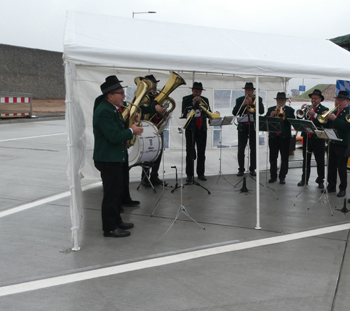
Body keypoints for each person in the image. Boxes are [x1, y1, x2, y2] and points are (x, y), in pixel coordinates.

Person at [93, 75, 143, 238]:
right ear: (110, 95)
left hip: (115, 157)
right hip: (108, 159)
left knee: (117, 192)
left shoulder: (111, 109)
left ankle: (117, 221)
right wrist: (131, 131)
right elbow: (114, 136)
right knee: (111, 194)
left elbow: (118, 129)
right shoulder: (104, 112)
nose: (124, 96)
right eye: (120, 93)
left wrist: (132, 124)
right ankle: (109, 228)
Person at [297, 89, 328, 189]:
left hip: (318, 138)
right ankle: (304, 179)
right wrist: (302, 111)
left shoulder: (324, 109)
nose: (313, 100)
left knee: (320, 160)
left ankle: (320, 181)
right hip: (307, 137)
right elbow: (300, 119)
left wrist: (314, 114)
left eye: (315, 98)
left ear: (320, 99)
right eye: (312, 98)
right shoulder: (307, 107)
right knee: (306, 160)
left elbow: (323, 123)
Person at [138, 74, 166, 187]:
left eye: (155, 83)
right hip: (147, 127)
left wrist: (164, 113)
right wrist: (153, 108)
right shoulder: (143, 95)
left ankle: (154, 175)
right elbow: (140, 108)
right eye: (153, 84)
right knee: (148, 152)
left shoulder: (158, 95)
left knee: (158, 151)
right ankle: (145, 177)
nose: (155, 86)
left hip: (157, 126)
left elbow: (162, 108)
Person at [232, 82, 265, 176]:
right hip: (242, 127)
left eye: (249, 90)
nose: (248, 92)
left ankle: (252, 169)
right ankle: (241, 169)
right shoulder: (240, 100)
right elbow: (234, 112)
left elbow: (262, 111)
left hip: (253, 127)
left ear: (253, 91)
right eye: (246, 90)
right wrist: (243, 105)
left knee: (253, 149)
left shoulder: (258, 99)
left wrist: (253, 103)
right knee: (241, 149)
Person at [323, 90, 350, 197]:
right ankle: (331, 186)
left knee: (342, 167)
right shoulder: (335, 111)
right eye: (337, 100)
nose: (338, 102)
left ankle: (342, 188)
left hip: (343, 143)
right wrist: (326, 119)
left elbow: (347, 127)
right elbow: (328, 126)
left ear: (347, 101)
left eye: (341, 100)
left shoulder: (348, 112)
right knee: (331, 165)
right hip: (332, 141)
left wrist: (335, 119)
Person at [181, 82, 211, 182]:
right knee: (190, 151)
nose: (198, 93)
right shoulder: (186, 99)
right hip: (191, 129)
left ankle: (201, 173)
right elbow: (184, 113)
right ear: (192, 91)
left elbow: (208, 112)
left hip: (202, 128)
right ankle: (189, 174)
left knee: (201, 152)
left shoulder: (205, 100)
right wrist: (193, 104)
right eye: (196, 91)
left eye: (199, 91)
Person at [265, 92, 295, 184]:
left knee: (284, 158)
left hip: (284, 137)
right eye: (279, 100)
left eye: (282, 100)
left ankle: (282, 177)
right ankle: (273, 176)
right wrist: (271, 116)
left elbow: (292, 121)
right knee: (273, 157)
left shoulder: (290, 110)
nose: (280, 102)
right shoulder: (271, 109)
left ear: (285, 101)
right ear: (277, 100)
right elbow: (265, 120)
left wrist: (285, 116)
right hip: (273, 137)